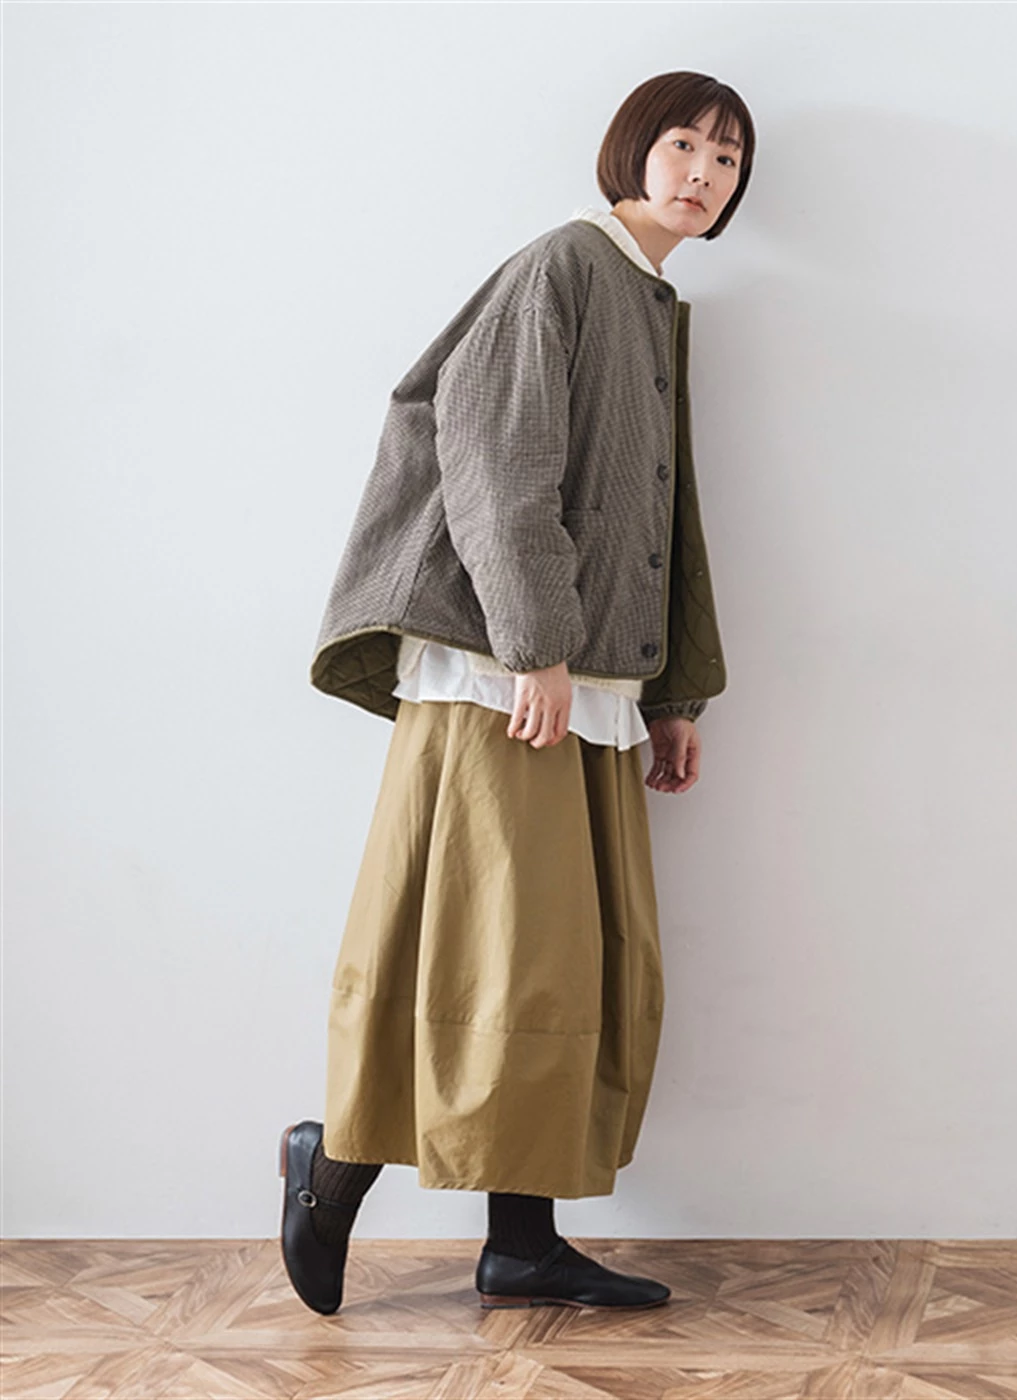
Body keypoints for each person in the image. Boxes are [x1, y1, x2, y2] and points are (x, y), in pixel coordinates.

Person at [280, 69, 754, 1315]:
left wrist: (674, 693)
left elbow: (662, 517)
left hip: (581, 678)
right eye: (684, 143)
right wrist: (535, 640)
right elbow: (497, 455)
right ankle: (330, 1163)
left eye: (727, 158)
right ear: (632, 149)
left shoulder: (648, 299)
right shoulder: (562, 266)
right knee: (478, 951)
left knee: (559, 967)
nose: (704, 172)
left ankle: (523, 1242)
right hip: (509, 676)